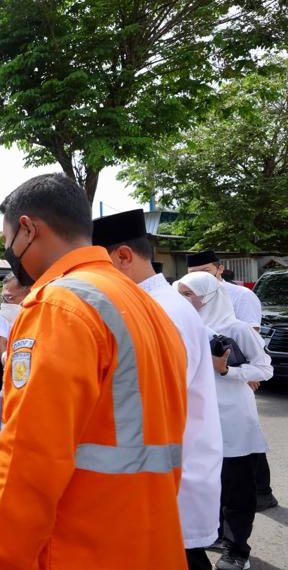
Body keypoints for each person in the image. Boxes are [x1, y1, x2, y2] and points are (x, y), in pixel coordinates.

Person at [0, 174, 188, 569]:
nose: (11, 258)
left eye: (8, 247)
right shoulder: (143, 304)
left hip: (82, 548)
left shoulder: (59, 305)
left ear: (27, 229)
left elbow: (29, 464)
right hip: (149, 544)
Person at [93, 210, 223, 570]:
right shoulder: (155, 305)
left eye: (95, 267)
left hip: (170, 486)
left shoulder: (159, 312)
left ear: (123, 257)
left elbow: (147, 407)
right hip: (167, 481)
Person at [176, 272, 274, 570]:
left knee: (237, 491)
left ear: (207, 296)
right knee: (204, 487)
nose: (181, 299)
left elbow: (264, 369)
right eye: (178, 292)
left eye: (187, 293)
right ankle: (212, 536)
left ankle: (237, 550)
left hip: (232, 421)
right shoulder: (182, 328)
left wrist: (227, 372)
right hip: (197, 421)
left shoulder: (237, 329)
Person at [187, 253, 279, 512]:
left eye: (206, 270)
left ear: (220, 268)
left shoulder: (240, 298)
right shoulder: (188, 318)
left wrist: (239, 374)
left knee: (241, 456)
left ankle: (261, 494)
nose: (200, 278)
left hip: (233, 391)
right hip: (203, 403)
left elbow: (252, 343)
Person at [187, 251, 262, 329]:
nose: (200, 276)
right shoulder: (184, 296)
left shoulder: (242, 294)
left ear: (220, 269)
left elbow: (252, 333)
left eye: (206, 271)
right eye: (193, 272)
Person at [0, 273, 30, 364]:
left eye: (9, 297)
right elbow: (1, 342)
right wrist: (6, 364)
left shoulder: (44, 312)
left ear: (29, 293)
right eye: (3, 298)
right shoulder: (4, 313)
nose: (5, 303)